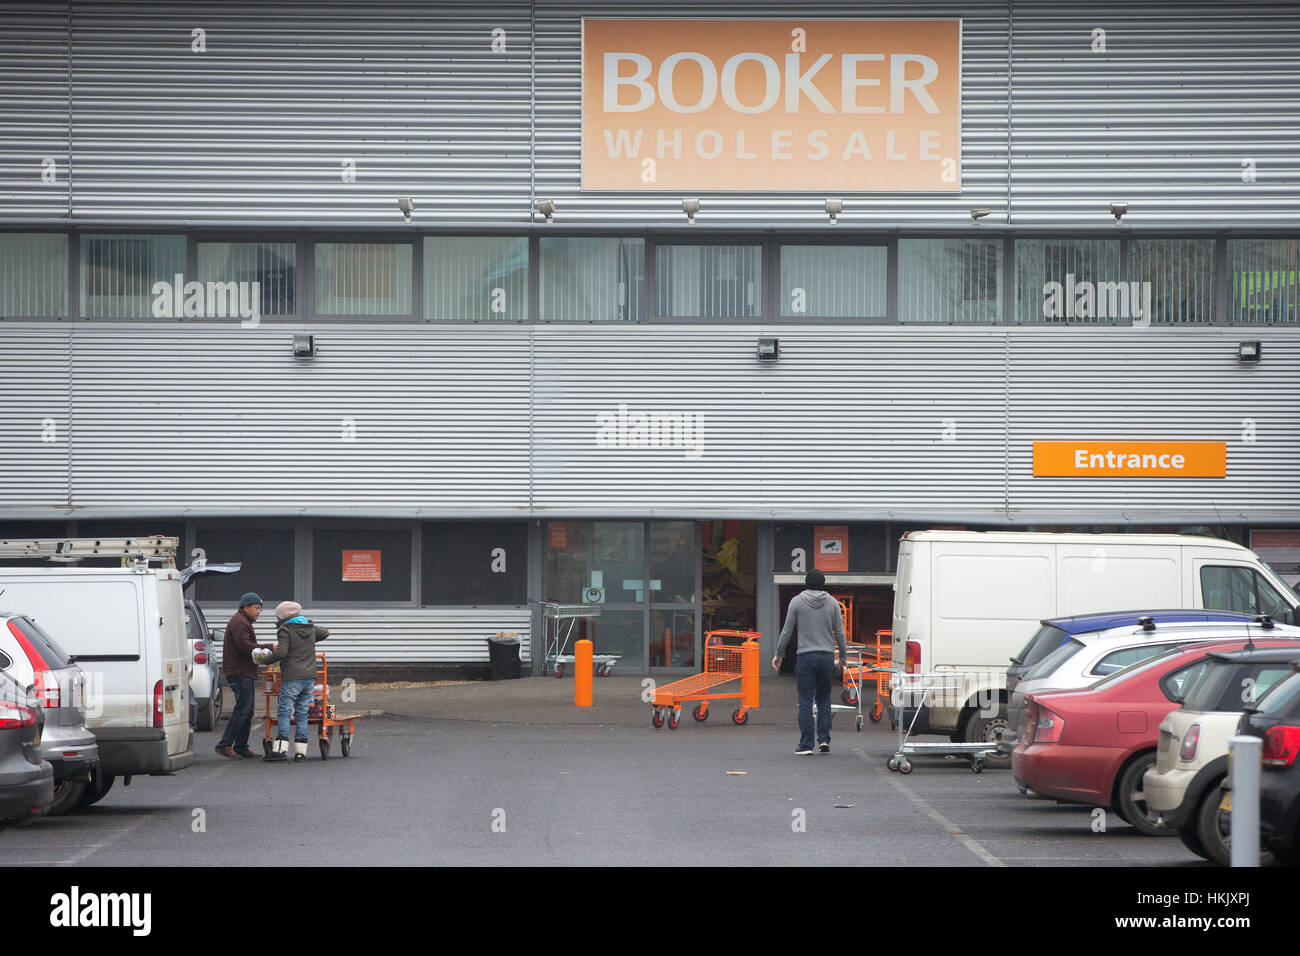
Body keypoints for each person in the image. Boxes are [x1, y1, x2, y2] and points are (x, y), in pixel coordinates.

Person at [772, 570, 847, 755]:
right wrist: (843, 657)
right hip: (827, 657)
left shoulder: (797, 601)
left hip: (806, 656)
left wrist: (778, 653)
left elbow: (787, 632)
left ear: (806, 583)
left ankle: (806, 744)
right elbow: (840, 633)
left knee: (805, 701)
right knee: (824, 699)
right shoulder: (832, 603)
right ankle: (824, 741)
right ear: (823, 584)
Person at [262, 601, 330, 762]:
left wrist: (264, 660)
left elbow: (281, 653)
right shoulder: (309, 628)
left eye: (277, 616)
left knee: (284, 712)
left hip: (293, 676)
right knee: (302, 714)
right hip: (309, 677)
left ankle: (281, 750)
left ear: (283, 617)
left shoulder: (285, 630)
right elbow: (325, 632)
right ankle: (301, 752)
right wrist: (309, 631)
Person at [214, 593, 268, 759]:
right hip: (239, 671)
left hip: (244, 671)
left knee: (248, 710)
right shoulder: (239, 621)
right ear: (245, 607)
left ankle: (241, 746)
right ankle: (224, 744)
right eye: (256, 608)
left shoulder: (244, 621)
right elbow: (244, 646)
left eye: (260, 609)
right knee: (242, 709)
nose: (258, 612)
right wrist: (268, 647)